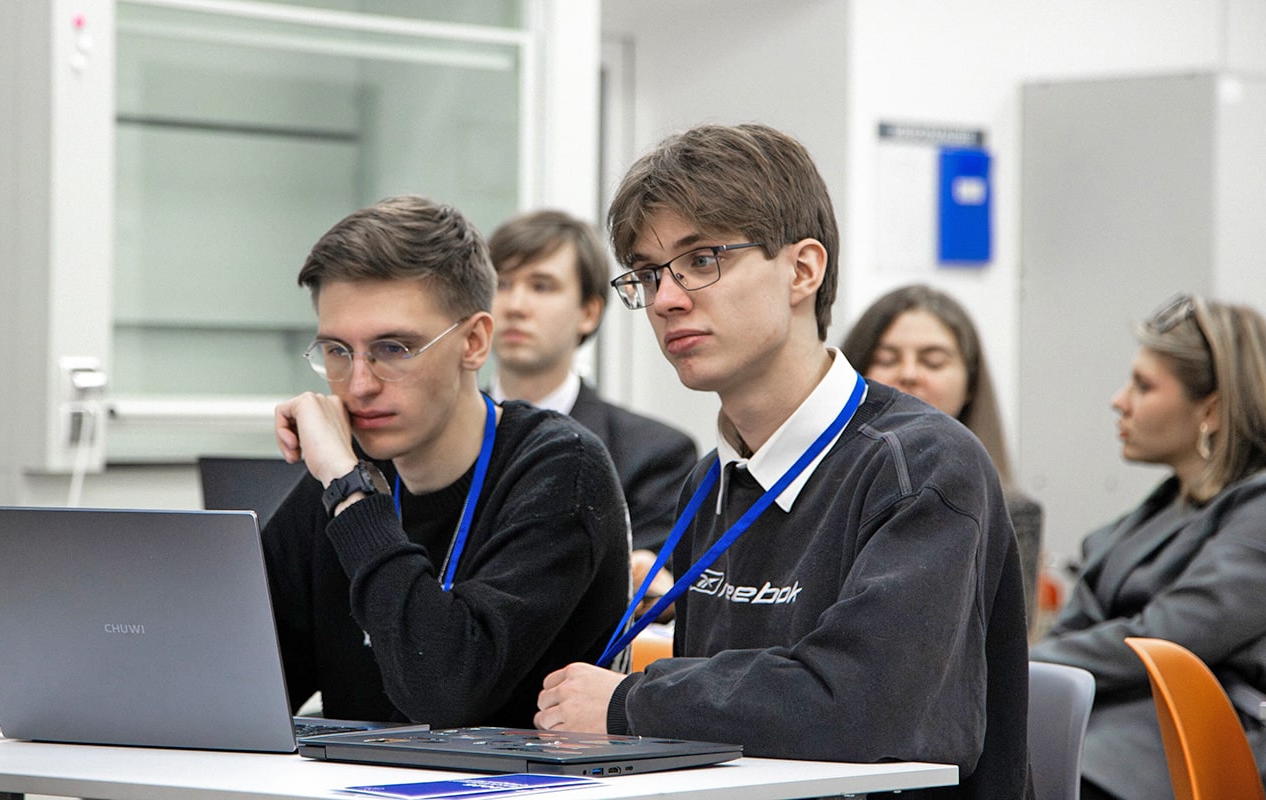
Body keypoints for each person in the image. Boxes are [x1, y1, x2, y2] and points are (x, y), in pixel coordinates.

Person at [534, 123, 1031, 799]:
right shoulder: (711, 479)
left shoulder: (919, 464)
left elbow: (866, 705)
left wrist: (630, 703)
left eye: (701, 260)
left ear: (803, 270)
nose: (667, 299)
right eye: (649, 274)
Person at [263, 194, 631, 729]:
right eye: (338, 351)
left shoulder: (560, 469)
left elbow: (445, 693)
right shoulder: (345, 473)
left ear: (474, 342)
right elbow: (243, 678)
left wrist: (349, 490)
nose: (359, 385)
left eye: (394, 348)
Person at [1030, 293, 1266, 800]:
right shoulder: (1147, 517)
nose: (1120, 401)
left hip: (1188, 744)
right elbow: (1079, 625)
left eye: (1143, 385)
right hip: (1113, 727)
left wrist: (1007, 665)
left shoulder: (1259, 511)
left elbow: (1168, 638)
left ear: (1211, 409)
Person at [487, 209, 698, 609]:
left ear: (589, 312)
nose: (514, 305)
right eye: (501, 284)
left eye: (541, 286)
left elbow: (652, 585)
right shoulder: (438, 436)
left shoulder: (655, 455)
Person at [841, 284, 1044, 635]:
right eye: (886, 359)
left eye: (932, 361)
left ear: (970, 384)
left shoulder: (1012, 512)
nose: (908, 374)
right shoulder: (822, 496)